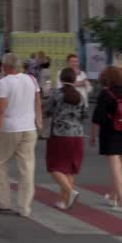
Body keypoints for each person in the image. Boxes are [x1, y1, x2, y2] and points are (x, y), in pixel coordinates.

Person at [0, 53, 41, 218]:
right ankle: (24, 207)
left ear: (5, 67)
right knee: (27, 168)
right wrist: (39, 120)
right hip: (29, 128)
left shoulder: (3, 83)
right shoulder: (31, 79)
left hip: (10, 129)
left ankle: (3, 202)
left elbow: (0, 111)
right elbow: (37, 100)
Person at [92, 65, 122, 213]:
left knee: (116, 170)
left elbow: (97, 118)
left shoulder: (106, 94)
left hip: (111, 134)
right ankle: (113, 197)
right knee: (119, 168)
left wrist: (92, 137)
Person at [44, 68, 88, 210]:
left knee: (53, 167)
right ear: (75, 80)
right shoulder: (80, 96)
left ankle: (70, 192)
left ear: (61, 79)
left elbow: (47, 111)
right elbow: (84, 115)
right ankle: (64, 201)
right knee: (69, 169)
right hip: (77, 135)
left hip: (59, 135)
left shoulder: (57, 94)